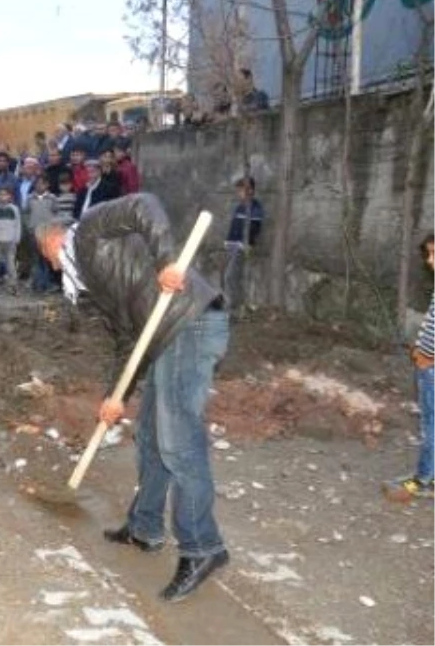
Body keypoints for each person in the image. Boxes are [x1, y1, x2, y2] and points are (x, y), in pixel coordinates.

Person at [35, 193, 231, 603]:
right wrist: (115, 397)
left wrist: (166, 262)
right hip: (165, 337)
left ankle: (203, 547)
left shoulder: (89, 230)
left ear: (50, 240)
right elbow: (127, 338)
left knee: (179, 442)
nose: (49, 266)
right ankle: (145, 528)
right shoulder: (88, 278)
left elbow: (144, 205)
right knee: (149, 437)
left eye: (43, 254)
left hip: (189, 323)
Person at [388, 234, 435, 500]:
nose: (429, 261)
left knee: (430, 425)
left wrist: (423, 355)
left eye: (434, 254)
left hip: (431, 367)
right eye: (428, 254)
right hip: (427, 363)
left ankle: (424, 479)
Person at [222, 176, 265, 314]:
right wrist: (228, 241)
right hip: (232, 246)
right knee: (229, 276)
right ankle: (233, 306)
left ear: (250, 191)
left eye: (242, 190)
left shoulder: (256, 208)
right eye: (239, 190)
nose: (239, 193)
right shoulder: (240, 207)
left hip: (241, 247)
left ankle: (232, 308)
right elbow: (234, 225)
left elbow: (255, 228)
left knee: (230, 276)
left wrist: (247, 244)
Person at [27, 175, 58, 293]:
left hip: (48, 233)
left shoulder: (53, 198)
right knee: (36, 259)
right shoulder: (30, 198)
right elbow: (27, 212)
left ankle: (47, 283)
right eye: (37, 184)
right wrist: (29, 227)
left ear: (47, 185)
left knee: (47, 259)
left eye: (43, 183)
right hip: (33, 231)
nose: (40, 186)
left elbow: (56, 212)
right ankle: (38, 284)